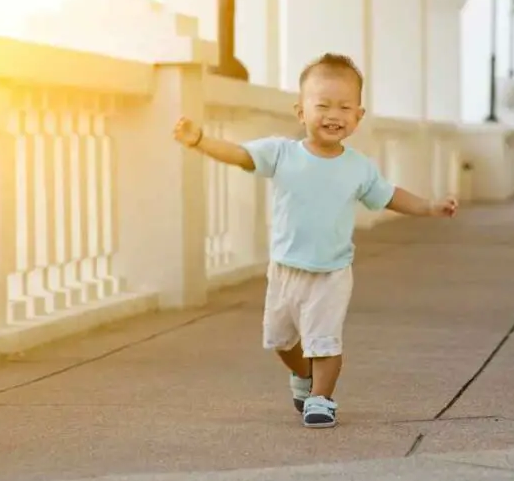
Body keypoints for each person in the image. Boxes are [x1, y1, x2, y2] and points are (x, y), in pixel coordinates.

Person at [172, 53, 458, 428]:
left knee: (324, 340)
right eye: (322, 105)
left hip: (331, 271)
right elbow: (241, 156)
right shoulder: (282, 153)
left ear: (359, 116)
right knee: (281, 340)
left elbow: (388, 195)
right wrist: (200, 141)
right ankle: (302, 377)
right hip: (286, 269)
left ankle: (322, 398)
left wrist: (428, 206)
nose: (333, 115)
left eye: (344, 107)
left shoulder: (358, 167)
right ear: (301, 111)